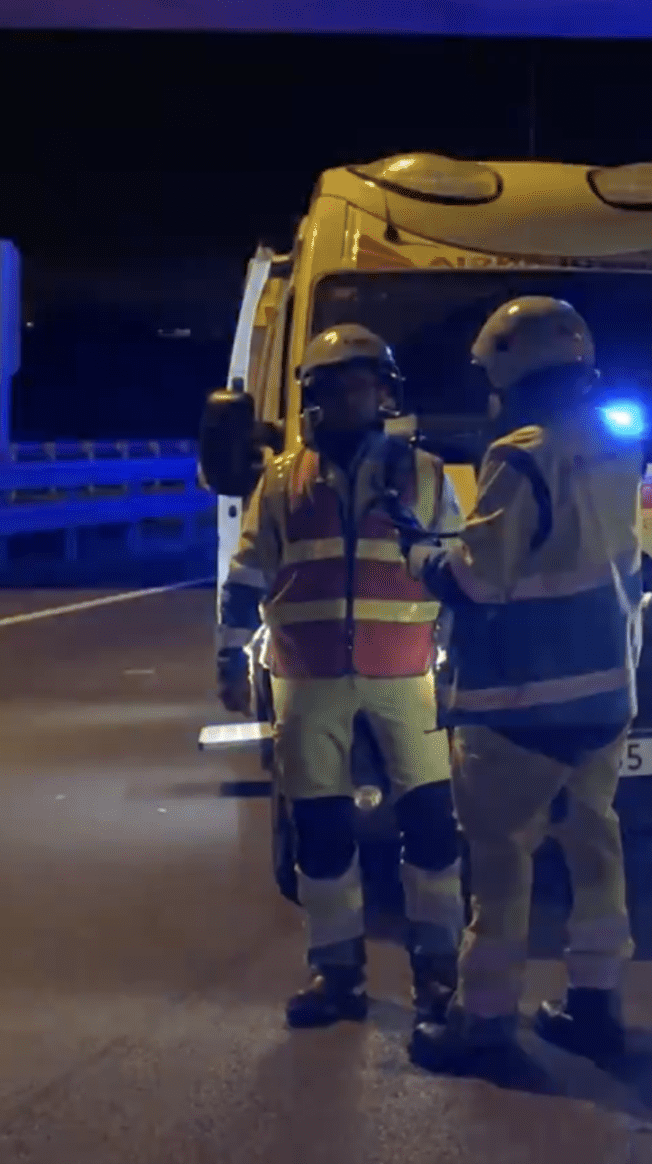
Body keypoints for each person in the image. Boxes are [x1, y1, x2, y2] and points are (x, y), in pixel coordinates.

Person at [404, 296, 646, 1071]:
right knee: (595, 852)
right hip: (605, 695)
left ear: (511, 368)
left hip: (518, 702)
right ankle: (598, 1006)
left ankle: (484, 1024)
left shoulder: (518, 454)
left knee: (502, 865)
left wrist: (419, 558)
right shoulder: (615, 443)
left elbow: (480, 577)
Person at [216, 324, 466, 1030]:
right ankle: (336, 972)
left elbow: (455, 571)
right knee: (321, 832)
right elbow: (248, 575)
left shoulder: (425, 475)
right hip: (307, 673)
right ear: (316, 396)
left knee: (432, 828)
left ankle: (438, 969)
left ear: (387, 392)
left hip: (406, 673)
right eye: (342, 383)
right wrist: (229, 655)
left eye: (368, 382)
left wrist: (460, 663)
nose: (358, 395)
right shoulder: (282, 480)